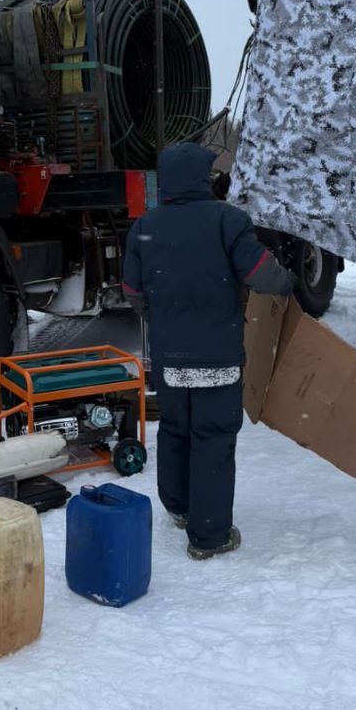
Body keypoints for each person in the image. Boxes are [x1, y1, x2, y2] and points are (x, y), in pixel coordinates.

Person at [122, 143, 295, 559]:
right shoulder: (228, 220)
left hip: (170, 359)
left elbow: (131, 291)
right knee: (213, 438)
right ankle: (210, 536)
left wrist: (162, 318)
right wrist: (288, 282)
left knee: (175, 429)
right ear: (203, 178)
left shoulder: (144, 227)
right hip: (217, 357)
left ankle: (179, 506)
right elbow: (262, 275)